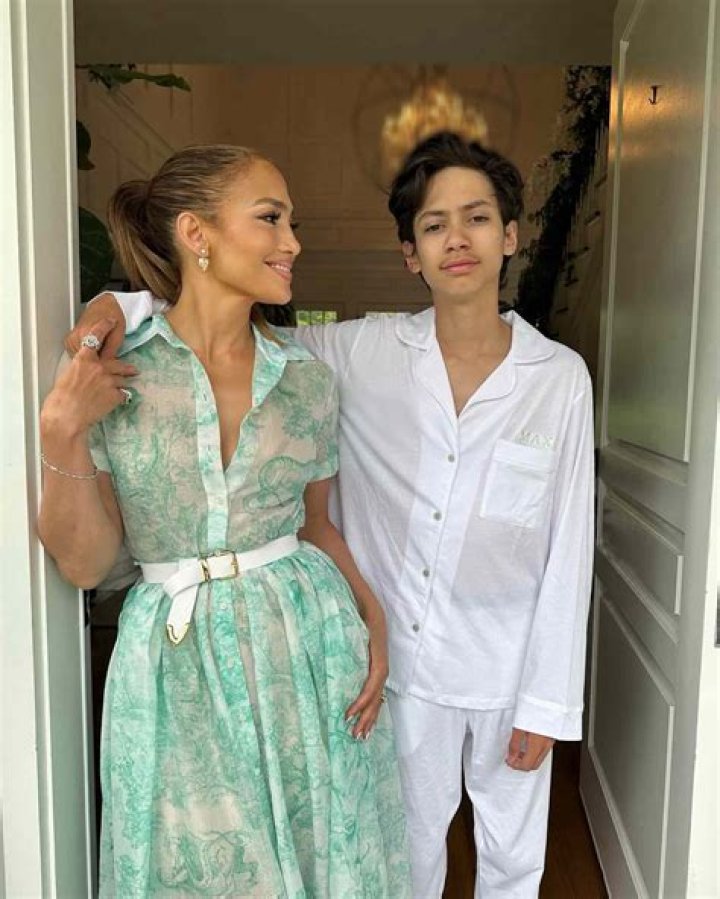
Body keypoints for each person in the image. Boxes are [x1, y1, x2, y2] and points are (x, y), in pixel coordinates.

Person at [71, 131, 594, 898]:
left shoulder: (560, 377)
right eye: (434, 224)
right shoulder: (358, 352)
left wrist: (549, 701)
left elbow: (570, 547)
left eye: (478, 218)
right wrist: (122, 303)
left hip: (508, 668)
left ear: (510, 236)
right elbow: (223, 324)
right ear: (409, 253)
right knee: (405, 852)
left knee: (514, 859)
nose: (457, 239)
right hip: (402, 667)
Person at [39, 144, 411, 897]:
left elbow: (316, 526)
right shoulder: (117, 370)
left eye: (292, 223)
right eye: (270, 218)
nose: (292, 242)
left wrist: (373, 617)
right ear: (195, 232)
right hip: (173, 665)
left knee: (318, 853)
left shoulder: (305, 378)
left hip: (307, 649)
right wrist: (61, 433)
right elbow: (86, 565)